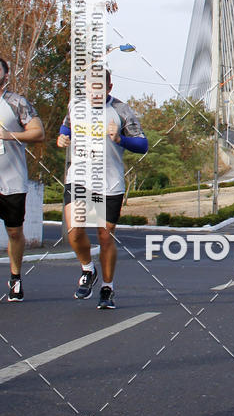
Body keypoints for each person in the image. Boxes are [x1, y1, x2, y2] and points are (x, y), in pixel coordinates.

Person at [57, 70, 148, 309]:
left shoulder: (121, 110)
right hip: (79, 177)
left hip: (109, 182)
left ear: (109, 87)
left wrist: (120, 139)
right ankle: (88, 268)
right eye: (90, 88)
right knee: (74, 231)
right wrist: (62, 139)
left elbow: (143, 144)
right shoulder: (75, 106)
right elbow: (65, 129)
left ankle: (107, 287)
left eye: (100, 88)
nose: (94, 93)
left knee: (105, 236)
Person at [0, 58, 45, 302]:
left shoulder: (16, 103)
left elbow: (38, 133)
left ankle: (15, 277)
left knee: (14, 232)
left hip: (12, 180)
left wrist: (9, 135)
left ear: (6, 75)